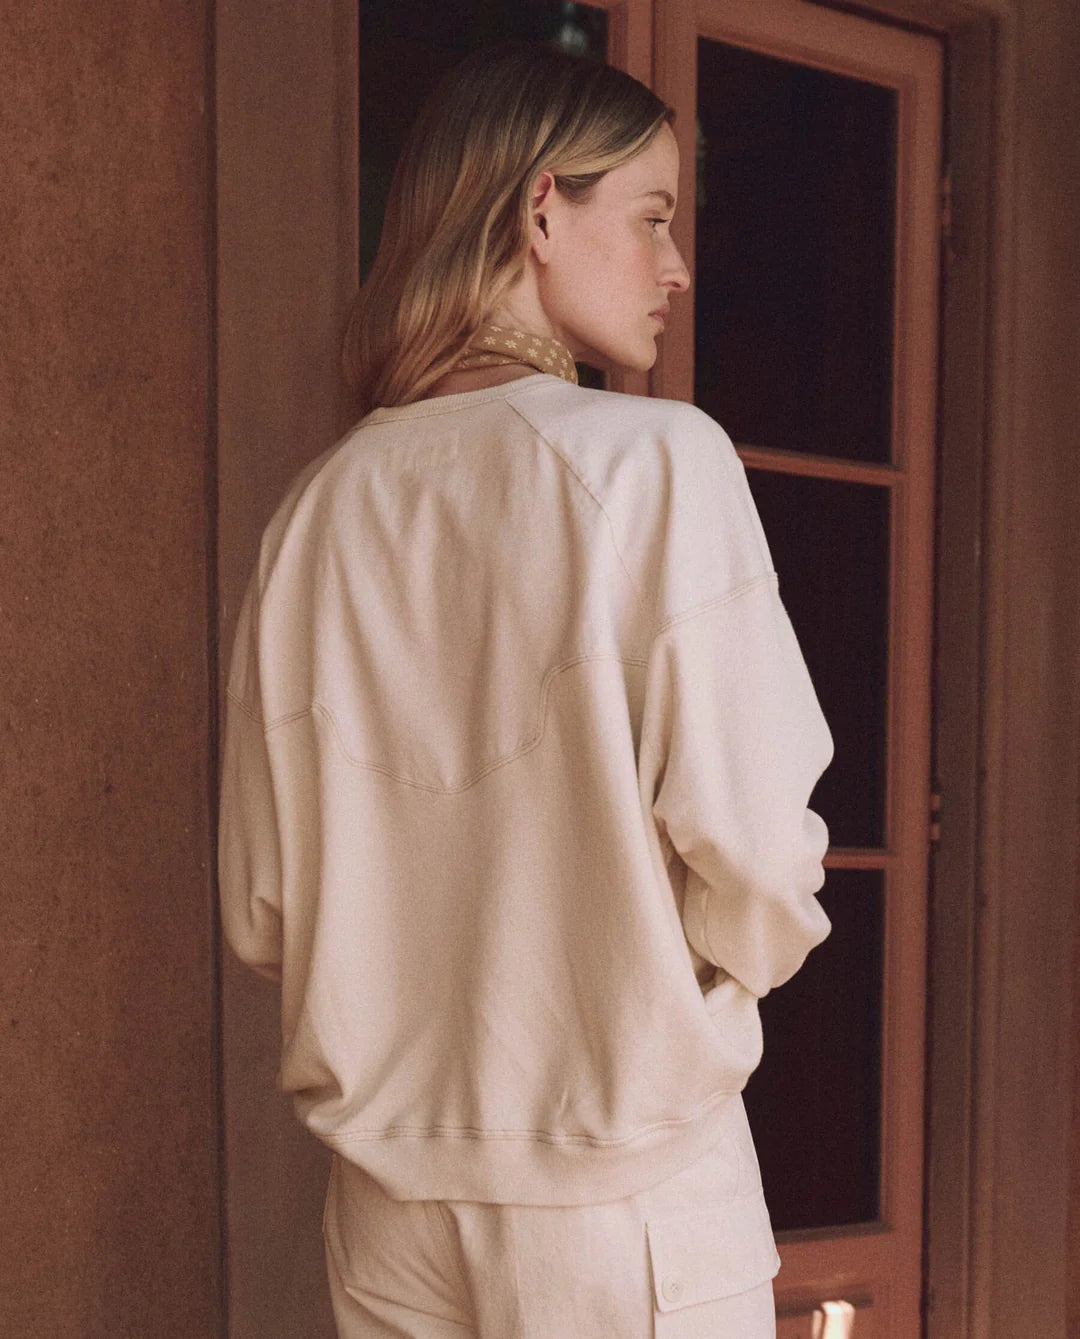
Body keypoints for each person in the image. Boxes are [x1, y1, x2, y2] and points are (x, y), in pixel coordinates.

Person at [219, 41, 833, 1339]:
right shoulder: (657, 462)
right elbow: (761, 855)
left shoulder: (317, 516)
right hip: (627, 1198)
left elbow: (267, 907)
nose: (677, 268)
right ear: (541, 208)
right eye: (654, 216)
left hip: (389, 1216)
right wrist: (682, 987)